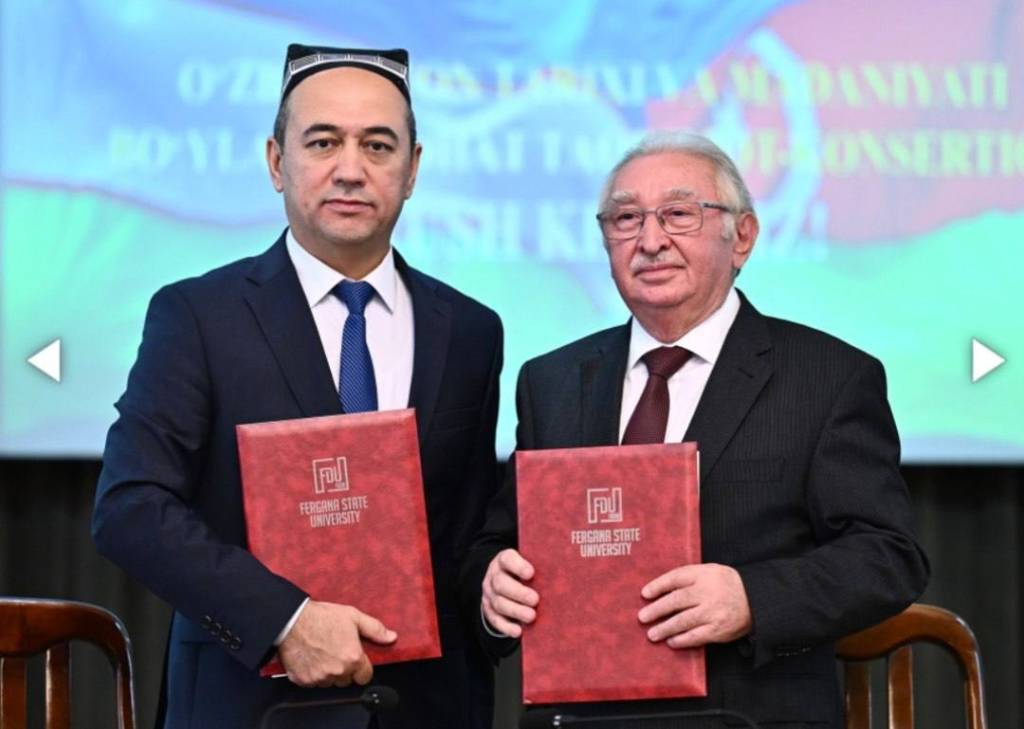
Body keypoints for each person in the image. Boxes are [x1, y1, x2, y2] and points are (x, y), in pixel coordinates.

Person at [93, 45, 502, 729]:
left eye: (378, 146)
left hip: (426, 707)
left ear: (412, 169)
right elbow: (130, 508)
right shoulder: (197, 316)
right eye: (323, 142)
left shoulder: (469, 330)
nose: (351, 169)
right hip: (250, 706)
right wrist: (285, 619)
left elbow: (465, 536)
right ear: (276, 162)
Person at [461, 132, 929, 728]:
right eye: (626, 219)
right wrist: (492, 585)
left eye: (678, 214)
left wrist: (752, 598)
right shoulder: (551, 381)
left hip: (747, 714)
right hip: (578, 716)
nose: (650, 240)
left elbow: (888, 556)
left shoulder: (827, 377)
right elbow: (498, 542)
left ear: (743, 236)